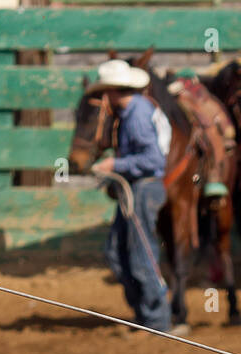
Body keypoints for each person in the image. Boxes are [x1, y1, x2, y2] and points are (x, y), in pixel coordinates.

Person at [89, 60, 176, 334]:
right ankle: (145, 314)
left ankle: (157, 319)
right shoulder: (134, 110)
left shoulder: (136, 114)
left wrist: (115, 165)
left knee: (140, 253)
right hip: (137, 188)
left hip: (143, 188)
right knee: (117, 251)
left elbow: (152, 158)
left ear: (114, 90)